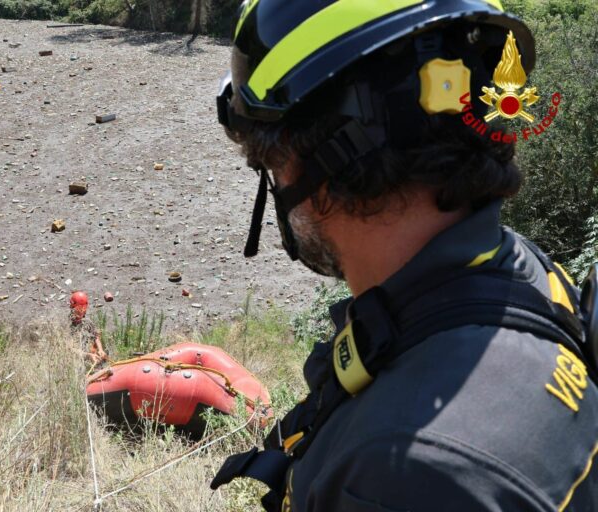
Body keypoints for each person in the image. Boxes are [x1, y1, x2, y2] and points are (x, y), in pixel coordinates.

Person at [210, 0, 598, 510]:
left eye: (270, 158)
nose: (275, 178)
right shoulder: (515, 274)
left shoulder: (406, 472)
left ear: (330, 153)